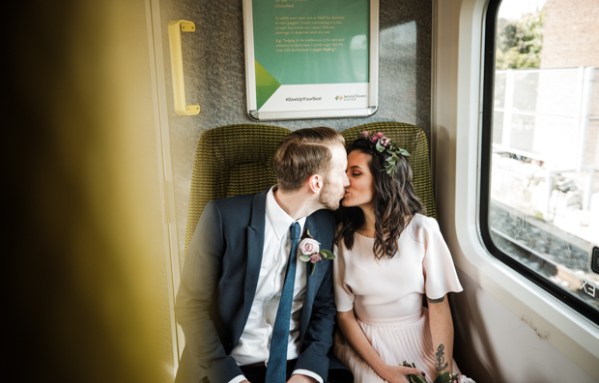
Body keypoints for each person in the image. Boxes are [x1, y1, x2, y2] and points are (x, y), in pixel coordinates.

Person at [175, 127, 353, 383]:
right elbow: (190, 306)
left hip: (297, 365)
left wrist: (308, 372)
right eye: (342, 172)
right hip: (229, 367)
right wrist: (231, 377)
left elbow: (324, 309)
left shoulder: (325, 225)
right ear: (316, 183)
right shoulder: (223, 218)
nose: (347, 182)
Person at [333, 131, 476, 383]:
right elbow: (344, 315)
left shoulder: (423, 229)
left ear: (382, 180)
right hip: (367, 343)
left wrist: (443, 372)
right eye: (345, 173)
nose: (344, 181)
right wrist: (383, 369)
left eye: (355, 173)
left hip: (424, 336)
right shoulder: (342, 239)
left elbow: (438, 305)